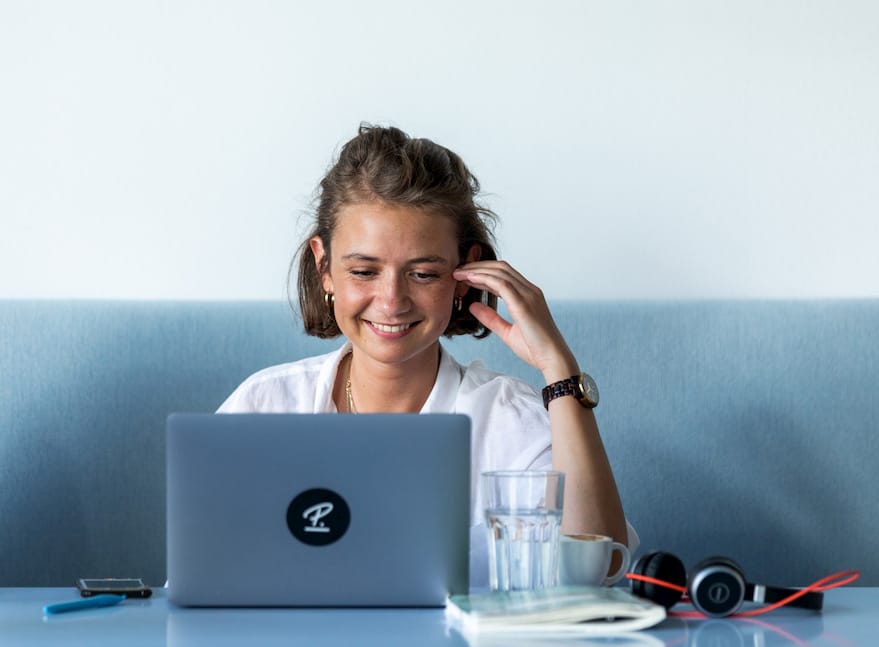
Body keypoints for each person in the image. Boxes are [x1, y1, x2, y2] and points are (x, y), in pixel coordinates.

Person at [218, 123, 638, 588]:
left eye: (422, 274)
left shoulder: (510, 421)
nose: (391, 300)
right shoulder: (263, 407)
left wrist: (559, 370)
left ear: (464, 274)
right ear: (325, 268)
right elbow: (206, 578)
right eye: (363, 270)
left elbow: (600, 569)